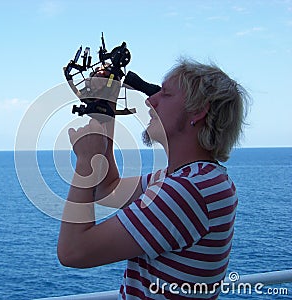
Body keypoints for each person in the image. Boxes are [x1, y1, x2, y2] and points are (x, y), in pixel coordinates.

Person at [57, 58, 250, 299]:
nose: (150, 100)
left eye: (166, 94)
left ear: (198, 111)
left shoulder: (188, 191)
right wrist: (104, 107)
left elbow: (73, 252)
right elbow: (108, 188)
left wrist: (86, 163)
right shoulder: (194, 179)